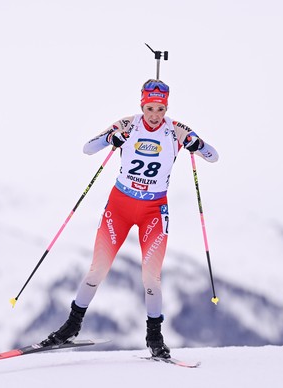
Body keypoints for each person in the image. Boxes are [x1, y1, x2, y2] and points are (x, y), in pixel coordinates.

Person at [40, 79, 219, 358]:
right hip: (119, 207)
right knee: (97, 270)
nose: (155, 114)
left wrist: (198, 144)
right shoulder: (128, 124)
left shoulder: (176, 130)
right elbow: (88, 148)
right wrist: (110, 139)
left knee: (152, 278)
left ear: (166, 106)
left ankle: (155, 337)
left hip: (154, 211)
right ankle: (71, 326)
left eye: (160, 108)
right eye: (150, 108)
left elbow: (213, 156)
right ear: (142, 104)